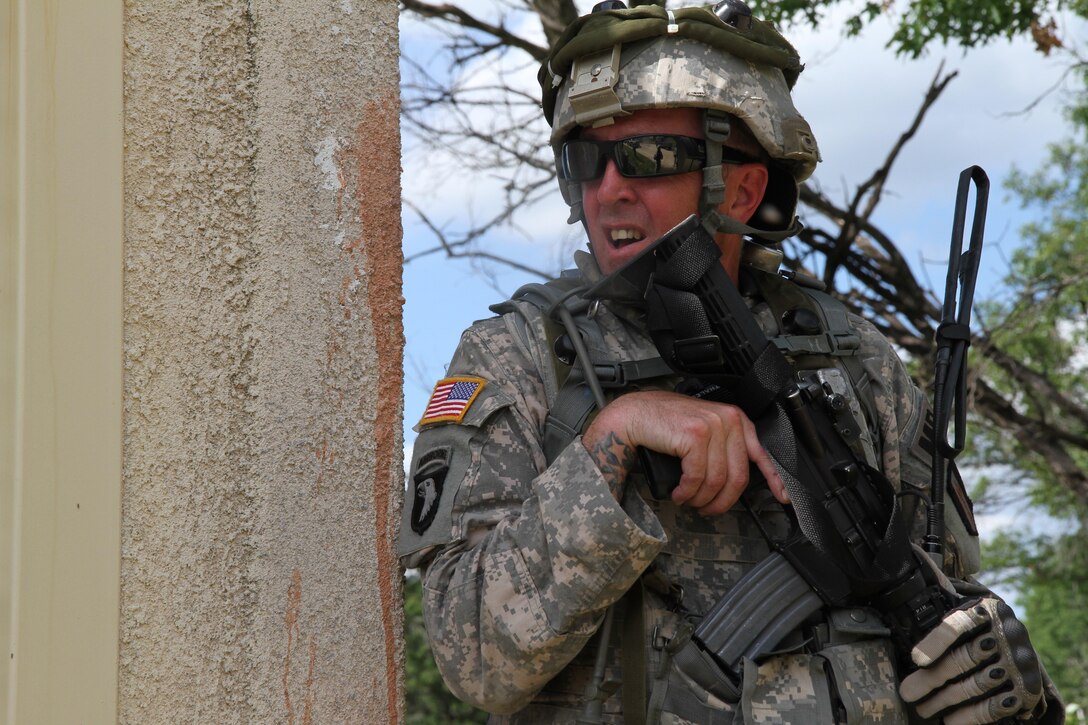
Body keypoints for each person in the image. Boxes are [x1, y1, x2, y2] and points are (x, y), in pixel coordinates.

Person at [398, 2, 1064, 723]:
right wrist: (608, 445)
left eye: (649, 157)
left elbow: (951, 597)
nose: (608, 188)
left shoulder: (855, 357)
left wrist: (997, 661)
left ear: (742, 187)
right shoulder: (523, 358)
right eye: (585, 159)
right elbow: (472, 656)